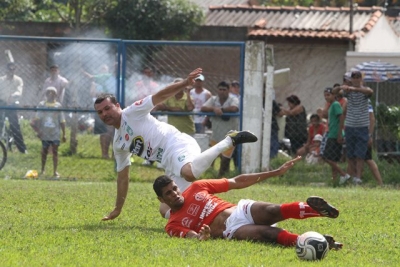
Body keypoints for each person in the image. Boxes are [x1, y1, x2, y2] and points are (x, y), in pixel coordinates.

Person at [94, 68, 257, 220]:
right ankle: (229, 215)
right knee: (166, 208)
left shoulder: (132, 112)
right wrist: (118, 208)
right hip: (169, 164)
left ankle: (229, 140)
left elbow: (159, 96)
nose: (105, 114)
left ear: (117, 106)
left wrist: (185, 83)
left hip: (177, 144)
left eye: (107, 108)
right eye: (100, 112)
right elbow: (123, 177)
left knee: (189, 173)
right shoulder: (118, 143)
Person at [153, 156, 343, 251]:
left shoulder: (196, 187)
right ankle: (311, 243)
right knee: (267, 234)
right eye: (168, 194)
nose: (175, 194)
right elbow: (191, 237)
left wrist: (275, 172)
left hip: (239, 212)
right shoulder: (172, 224)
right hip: (231, 230)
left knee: (272, 210)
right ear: (162, 200)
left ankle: (320, 210)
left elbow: (237, 181)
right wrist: (202, 237)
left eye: (175, 188)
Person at [334, 71, 373, 185]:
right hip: (350, 125)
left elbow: (370, 91)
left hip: (362, 126)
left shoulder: (364, 91)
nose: (356, 80)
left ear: (361, 79)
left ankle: (358, 178)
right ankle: (351, 176)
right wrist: (343, 86)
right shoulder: (348, 92)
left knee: (360, 155)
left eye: (358, 77)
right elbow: (335, 91)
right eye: (354, 78)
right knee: (350, 154)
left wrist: (354, 89)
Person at [201, 81, 240, 177]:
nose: (222, 91)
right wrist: (214, 109)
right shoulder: (214, 99)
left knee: (225, 160)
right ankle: (209, 175)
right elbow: (203, 108)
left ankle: (220, 178)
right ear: (217, 90)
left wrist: (222, 110)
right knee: (210, 157)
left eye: (224, 89)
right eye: (220, 89)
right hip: (216, 135)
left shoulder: (233, 99)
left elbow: (234, 108)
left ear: (228, 90)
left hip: (230, 136)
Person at [30, 87, 66, 178]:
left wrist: (64, 134)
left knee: (55, 151)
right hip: (45, 133)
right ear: (46, 94)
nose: (50, 94)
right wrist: (38, 131)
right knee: (44, 151)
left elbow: (62, 120)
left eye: (52, 92)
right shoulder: (42, 105)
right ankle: (42, 169)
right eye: (48, 92)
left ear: (56, 95)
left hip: (55, 133)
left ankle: (55, 171)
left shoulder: (58, 106)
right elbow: (38, 119)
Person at [85, 64, 116, 159]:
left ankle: (114, 155)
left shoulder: (111, 81)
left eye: (105, 70)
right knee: (103, 132)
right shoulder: (95, 82)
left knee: (113, 131)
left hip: (111, 107)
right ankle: (104, 154)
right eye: (102, 70)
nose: (104, 72)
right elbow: (92, 93)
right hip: (100, 108)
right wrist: (102, 94)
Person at [321, 88, 349, 181]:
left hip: (335, 134)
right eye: (325, 95)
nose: (326, 97)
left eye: (328, 95)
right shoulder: (331, 105)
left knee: (326, 157)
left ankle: (343, 174)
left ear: (334, 95)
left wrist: (340, 133)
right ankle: (334, 179)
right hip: (331, 133)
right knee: (333, 159)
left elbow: (341, 117)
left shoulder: (336, 104)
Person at [0, 62, 28, 154]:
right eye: (10, 69)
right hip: (2, 103)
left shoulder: (18, 80)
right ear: (6, 70)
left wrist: (13, 96)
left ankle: (22, 149)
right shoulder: (1, 80)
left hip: (12, 103)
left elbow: (19, 91)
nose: (11, 71)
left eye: (13, 69)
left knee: (15, 126)